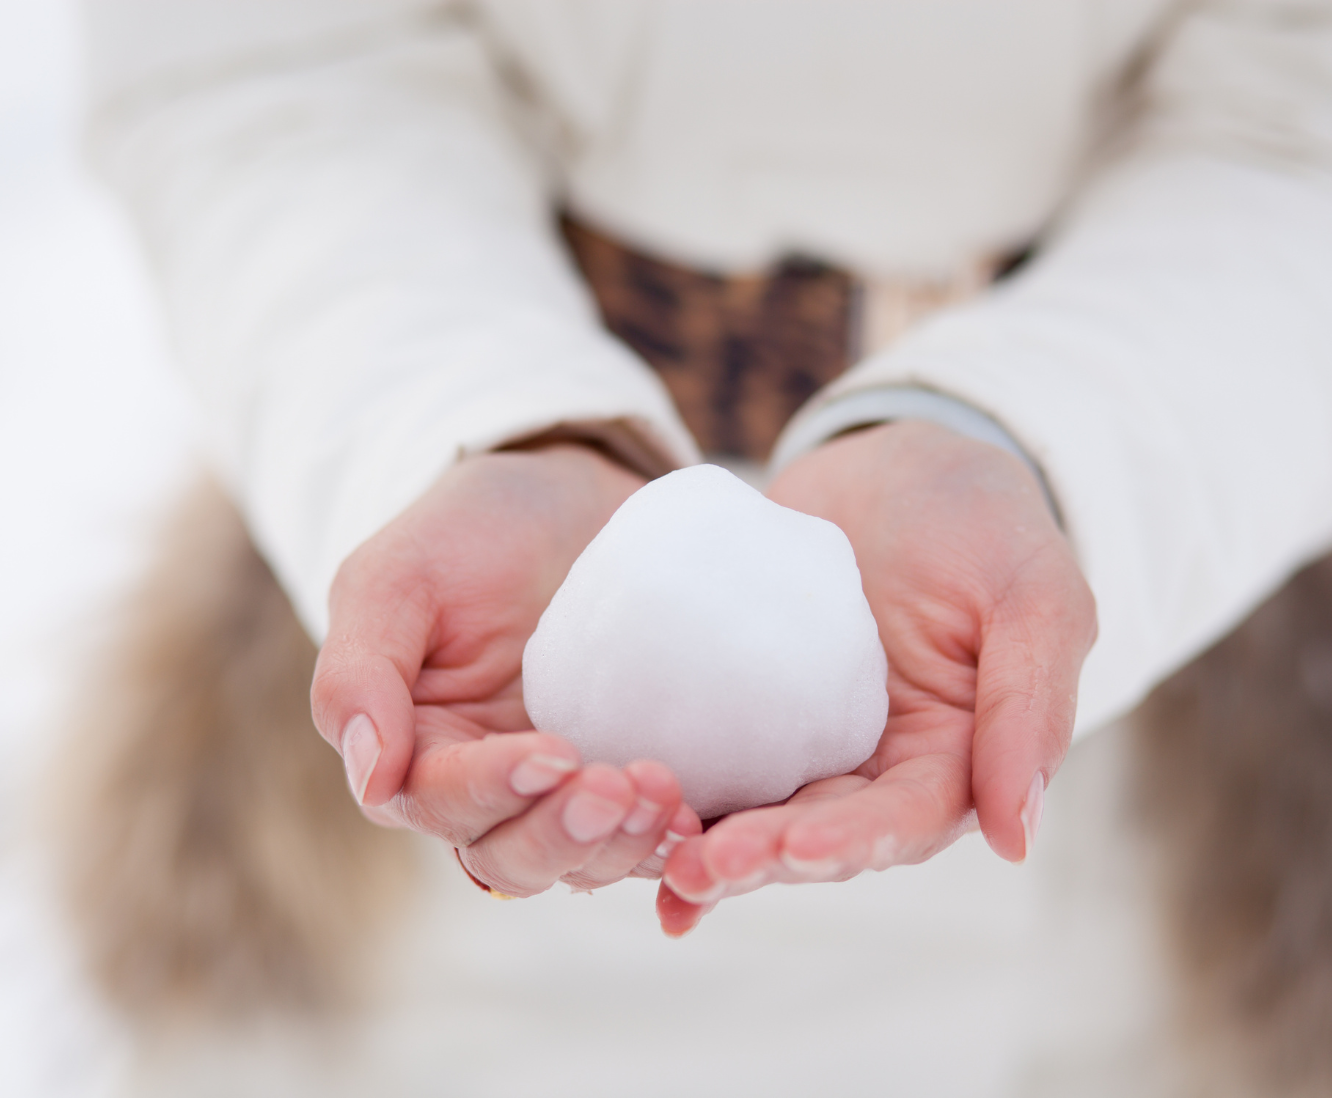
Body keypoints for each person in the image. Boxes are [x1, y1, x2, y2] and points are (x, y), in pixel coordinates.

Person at [78, 0, 1332, 949]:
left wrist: (1031, 435)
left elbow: (1300, 130)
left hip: (1151, 589)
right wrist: (485, 418)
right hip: (448, 549)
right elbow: (265, 61)